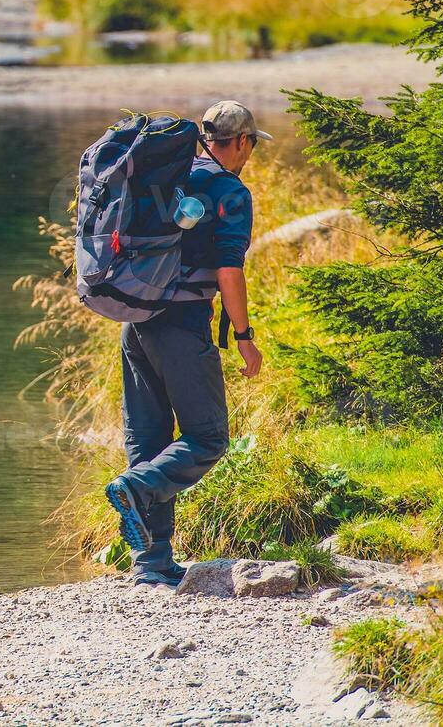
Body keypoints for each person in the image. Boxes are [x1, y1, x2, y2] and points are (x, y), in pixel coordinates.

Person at [105, 100, 269, 587]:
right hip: (181, 323)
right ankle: (135, 488)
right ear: (240, 142)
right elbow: (228, 270)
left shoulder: (168, 176)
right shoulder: (228, 191)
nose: (250, 153)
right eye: (252, 144)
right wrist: (244, 338)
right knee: (208, 437)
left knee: (149, 439)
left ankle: (151, 564)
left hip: (135, 321)